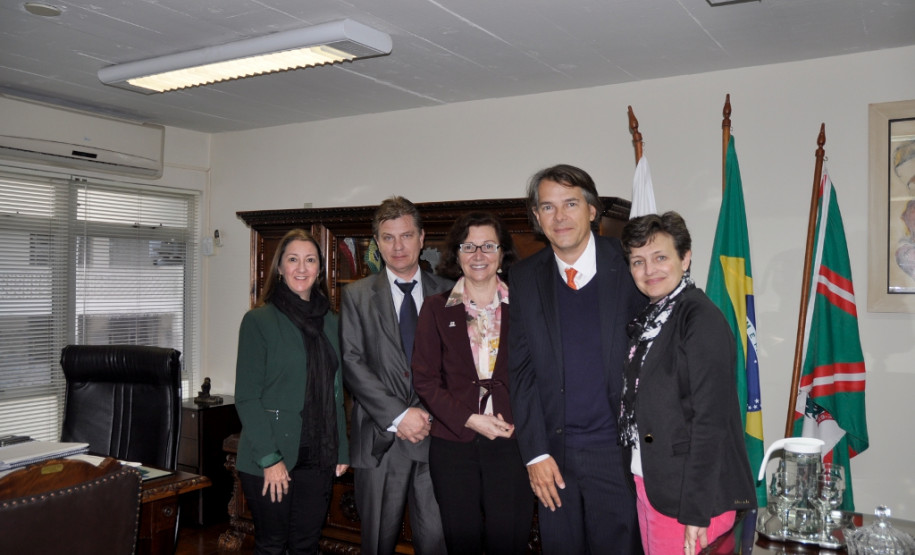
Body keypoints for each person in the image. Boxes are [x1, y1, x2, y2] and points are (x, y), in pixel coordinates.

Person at [508, 164, 647, 554]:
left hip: (617, 455)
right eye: (548, 207)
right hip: (554, 459)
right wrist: (534, 453)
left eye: (571, 203)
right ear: (537, 218)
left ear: (592, 210)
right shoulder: (523, 278)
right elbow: (520, 374)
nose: (560, 216)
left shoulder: (633, 266)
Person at [619, 212, 756, 555]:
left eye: (660, 257)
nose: (649, 270)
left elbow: (711, 423)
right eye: (638, 261)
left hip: (690, 498)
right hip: (654, 481)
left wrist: (697, 511)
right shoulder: (654, 317)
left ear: (686, 257)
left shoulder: (699, 317)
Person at [412, 212, 534, 555]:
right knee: (461, 540)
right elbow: (425, 379)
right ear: (457, 253)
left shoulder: (525, 306)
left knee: (509, 540)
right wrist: (470, 418)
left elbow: (540, 374)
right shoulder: (435, 309)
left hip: (513, 441)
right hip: (454, 445)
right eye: (469, 246)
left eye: (488, 246)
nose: (478, 255)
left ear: (502, 253)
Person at [341, 196, 451, 555]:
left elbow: (459, 366)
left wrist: (429, 414)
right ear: (377, 243)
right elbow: (353, 363)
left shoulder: (450, 292)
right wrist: (400, 415)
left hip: (438, 439)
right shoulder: (356, 295)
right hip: (380, 440)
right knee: (376, 544)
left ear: (422, 238)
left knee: (436, 540)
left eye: (406, 236)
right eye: (387, 238)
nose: (398, 246)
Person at [234, 228, 349, 555]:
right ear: (280, 268)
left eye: (310, 260)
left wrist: (340, 448)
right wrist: (271, 459)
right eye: (293, 259)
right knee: (272, 545)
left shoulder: (332, 322)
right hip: (272, 453)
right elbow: (246, 397)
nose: (302, 267)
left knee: (306, 545)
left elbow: (336, 392)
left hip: (319, 454)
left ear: (319, 269)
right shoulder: (259, 321)